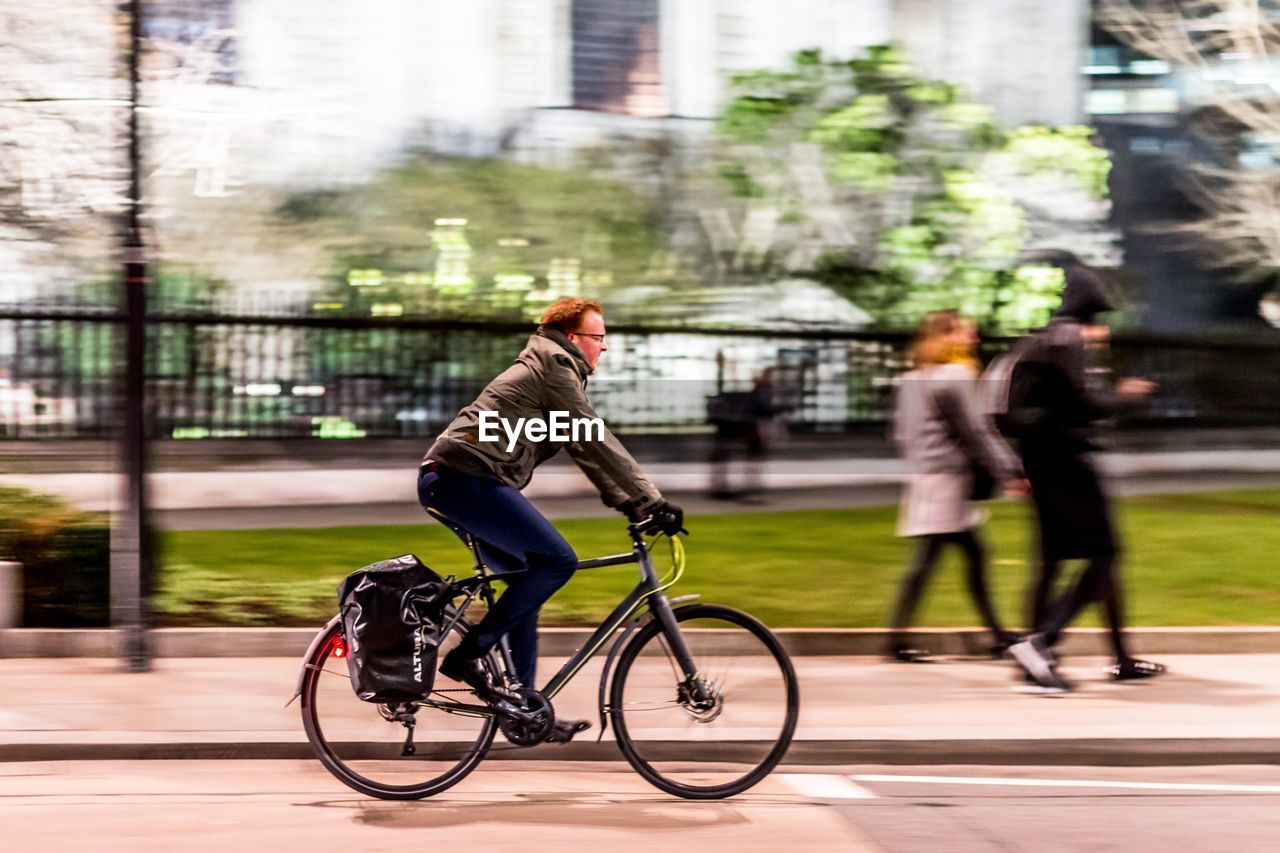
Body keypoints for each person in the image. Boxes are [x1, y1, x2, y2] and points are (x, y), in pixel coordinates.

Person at [418, 297, 684, 741]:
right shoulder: (555, 364)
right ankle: (469, 654)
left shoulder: (554, 369)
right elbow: (595, 434)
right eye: (598, 337)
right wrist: (652, 498)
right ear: (573, 337)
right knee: (558, 561)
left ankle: (522, 709)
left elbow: (583, 446)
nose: (604, 347)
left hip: (459, 478)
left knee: (528, 583)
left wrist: (629, 503)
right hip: (464, 476)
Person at [1001, 266, 1164, 692]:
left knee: (1055, 560)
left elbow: (1016, 411)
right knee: (1105, 553)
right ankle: (1040, 643)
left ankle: (1040, 657)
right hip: (1070, 460)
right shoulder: (1069, 338)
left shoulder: (1042, 339)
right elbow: (1088, 402)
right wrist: (1126, 396)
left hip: (1042, 461)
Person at [887, 310, 1024, 663]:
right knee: (932, 560)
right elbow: (976, 431)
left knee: (968, 556)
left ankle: (994, 634)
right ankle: (897, 639)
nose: (974, 340)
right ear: (946, 337)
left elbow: (902, 434)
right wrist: (1010, 470)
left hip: (926, 478)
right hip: (948, 480)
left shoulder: (912, 378)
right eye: (966, 333)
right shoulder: (955, 376)